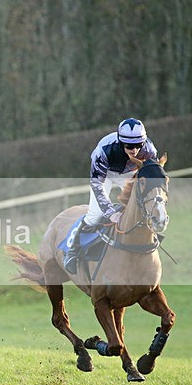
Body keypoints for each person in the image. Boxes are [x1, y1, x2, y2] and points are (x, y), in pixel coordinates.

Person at [63, 117, 158, 274]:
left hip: (129, 173)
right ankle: (72, 251)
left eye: (138, 145)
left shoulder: (149, 150)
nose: (134, 150)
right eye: (129, 146)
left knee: (141, 206)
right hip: (104, 176)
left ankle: (149, 241)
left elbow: (150, 175)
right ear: (121, 142)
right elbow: (97, 184)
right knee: (95, 214)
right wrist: (110, 213)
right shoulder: (104, 151)